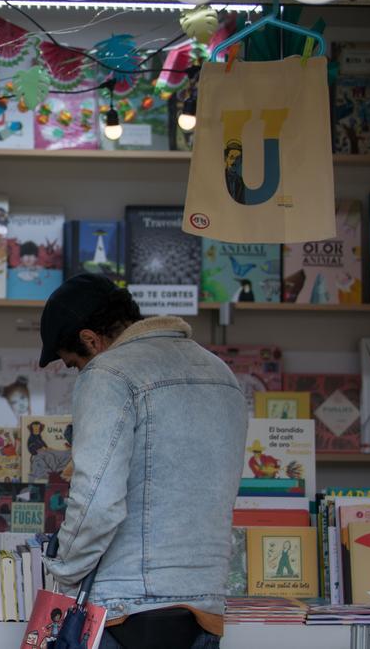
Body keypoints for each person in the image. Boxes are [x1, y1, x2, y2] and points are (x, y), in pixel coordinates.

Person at [37, 274, 247, 649]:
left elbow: (97, 502)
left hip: (126, 608)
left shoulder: (108, 373)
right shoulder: (222, 373)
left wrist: (61, 570)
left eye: (73, 364)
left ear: (90, 339)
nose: (77, 371)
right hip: (205, 606)